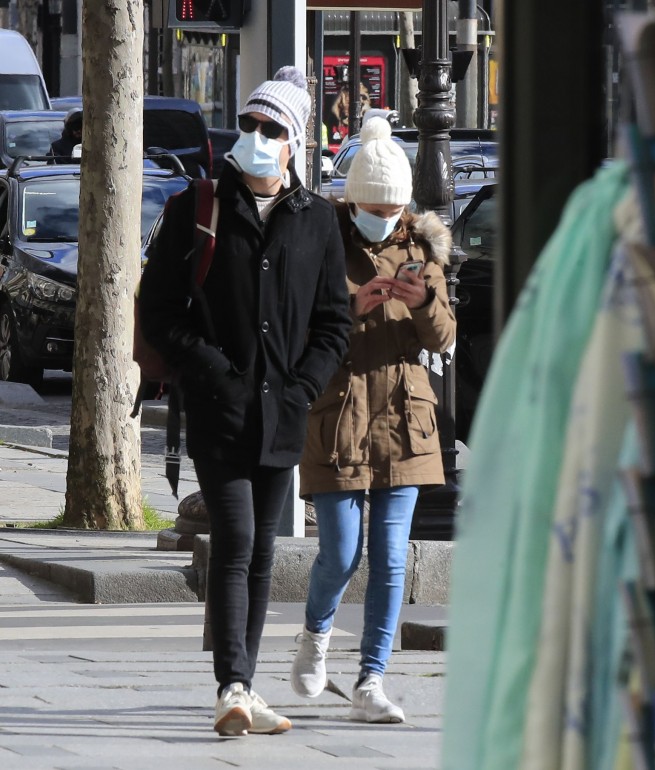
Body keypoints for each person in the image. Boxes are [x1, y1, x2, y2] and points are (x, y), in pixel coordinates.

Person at [138, 66, 351, 736]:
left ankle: (244, 685)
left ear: (294, 142)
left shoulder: (317, 219)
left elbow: (334, 322)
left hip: (280, 413)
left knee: (262, 552)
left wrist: (302, 385)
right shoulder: (195, 207)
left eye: (272, 129)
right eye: (250, 124)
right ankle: (231, 683)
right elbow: (160, 310)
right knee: (236, 540)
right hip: (216, 409)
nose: (256, 136)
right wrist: (210, 370)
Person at [290, 116, 456, 723]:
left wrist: (425, 303)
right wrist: (350, 309)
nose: (382, 217)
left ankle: (371, 680)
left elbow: (444, 339)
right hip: (337, 419)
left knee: (389, 559)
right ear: (352, 199)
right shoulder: (320, 242)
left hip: (405, 422)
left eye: (392, 209)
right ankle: (314, 638)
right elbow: (295, 334)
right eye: (371, 207)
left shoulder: (421, 250)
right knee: (340, 553)